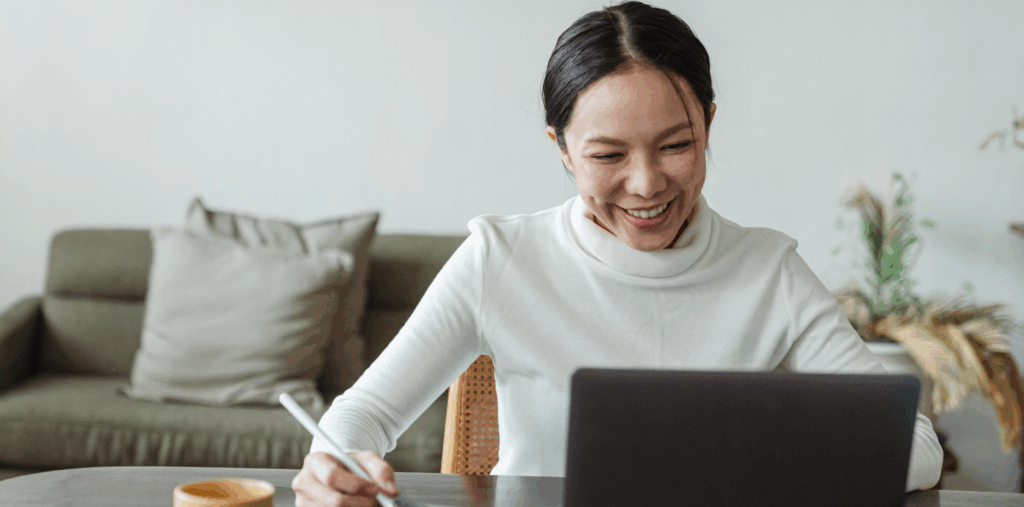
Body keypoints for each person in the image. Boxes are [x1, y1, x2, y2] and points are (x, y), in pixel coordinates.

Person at [291, 2, 943, 505]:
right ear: (563, 149)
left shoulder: (769, 271)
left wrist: (762, 452)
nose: (647, 183)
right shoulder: (501, 258)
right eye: (607, 154)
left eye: (676, 145)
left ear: (709, 124)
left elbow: (913, 445)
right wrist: (333, 465)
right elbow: (363, 413)